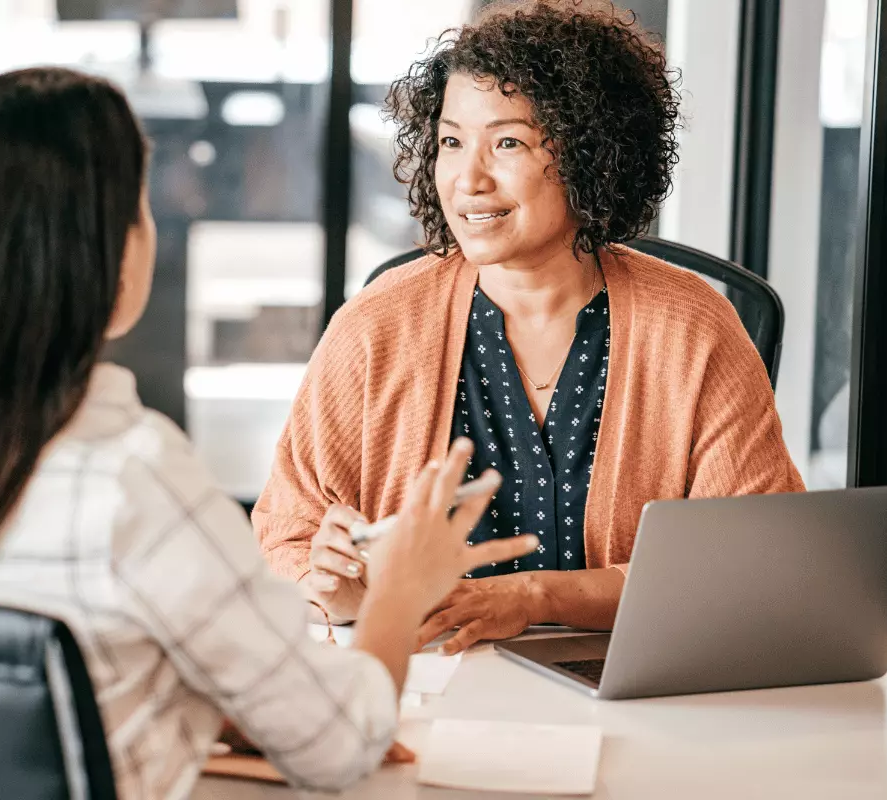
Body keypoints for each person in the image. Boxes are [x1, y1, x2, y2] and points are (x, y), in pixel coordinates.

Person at [0, 67, 535, 799]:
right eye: (140, 206)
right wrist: (399, 593)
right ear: (102, 254)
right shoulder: (131, 476)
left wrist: (211, 702)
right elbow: (340, 744)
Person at [254, 0, 804, 654]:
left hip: (631, 688)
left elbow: (749, 564)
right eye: (452, 142)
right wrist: (338, 591)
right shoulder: (376, 326)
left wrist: (539, 596)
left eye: (507, 142)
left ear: (591, 152)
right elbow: (285, 541)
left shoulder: (693, 328)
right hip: (422, 681)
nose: (468, 179)